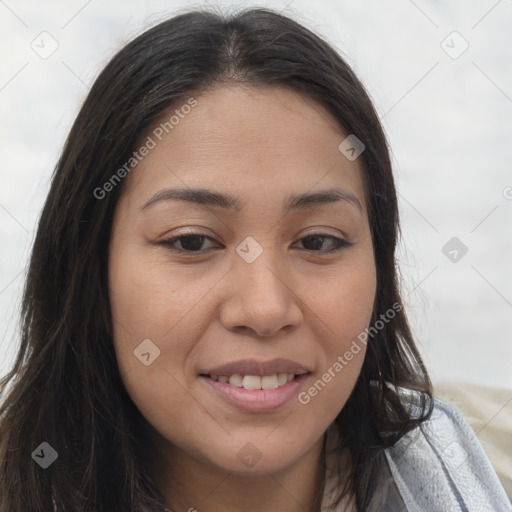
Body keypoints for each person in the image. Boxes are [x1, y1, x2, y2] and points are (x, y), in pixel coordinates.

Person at [0, 6, 509, 512]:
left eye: (318, 241)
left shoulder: (483, 473)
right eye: (193, 241)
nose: (265, 310)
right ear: (89, 269)